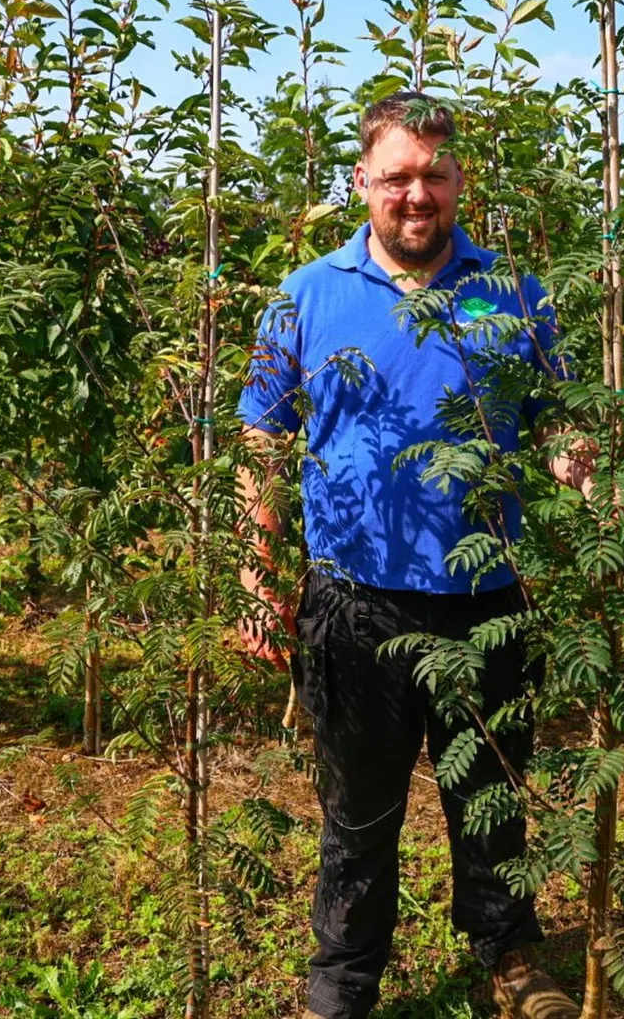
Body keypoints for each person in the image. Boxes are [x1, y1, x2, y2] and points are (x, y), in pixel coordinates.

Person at [235, 92, 592, 1019]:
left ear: (459, 181)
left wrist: (585, 470)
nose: (416, 194)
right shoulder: (306, 295)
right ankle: (343, 984)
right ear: (362, 182)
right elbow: (263, 444)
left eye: (434, 173)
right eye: (397, 176)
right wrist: (255, 579)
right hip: (356, 605)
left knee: (494, 796)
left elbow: (556, 425)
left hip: (487, 597)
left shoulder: (515, 294)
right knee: (358, 816)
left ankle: (510, 956)